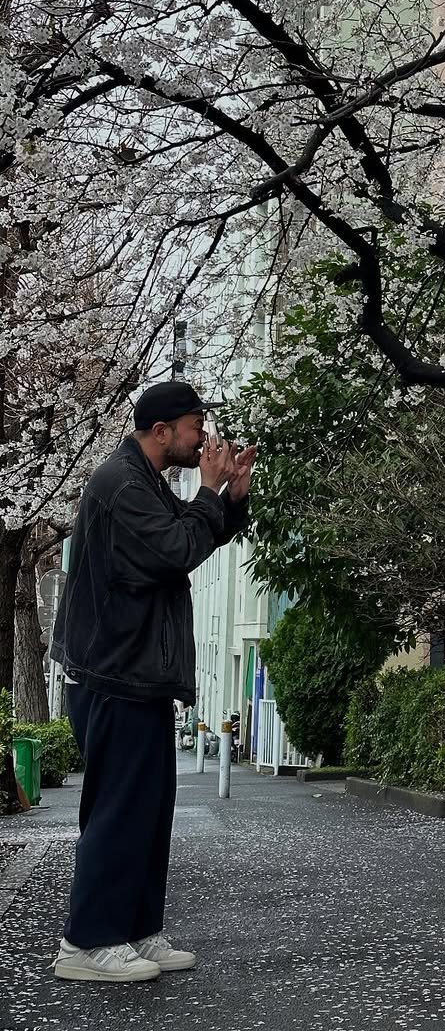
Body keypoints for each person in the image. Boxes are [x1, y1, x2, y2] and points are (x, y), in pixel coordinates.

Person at [49, 381, 257, 983]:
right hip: (113, 674)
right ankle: (87, 943)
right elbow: (176, 550)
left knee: (148, 810)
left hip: (136, 673)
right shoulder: (121, 486)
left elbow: (193, 534)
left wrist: (231, 500)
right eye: (196, 425)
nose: (204, 437)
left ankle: (135, 931)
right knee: (118, 810)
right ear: (161, 431)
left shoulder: (146, 483)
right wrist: (212, 491)